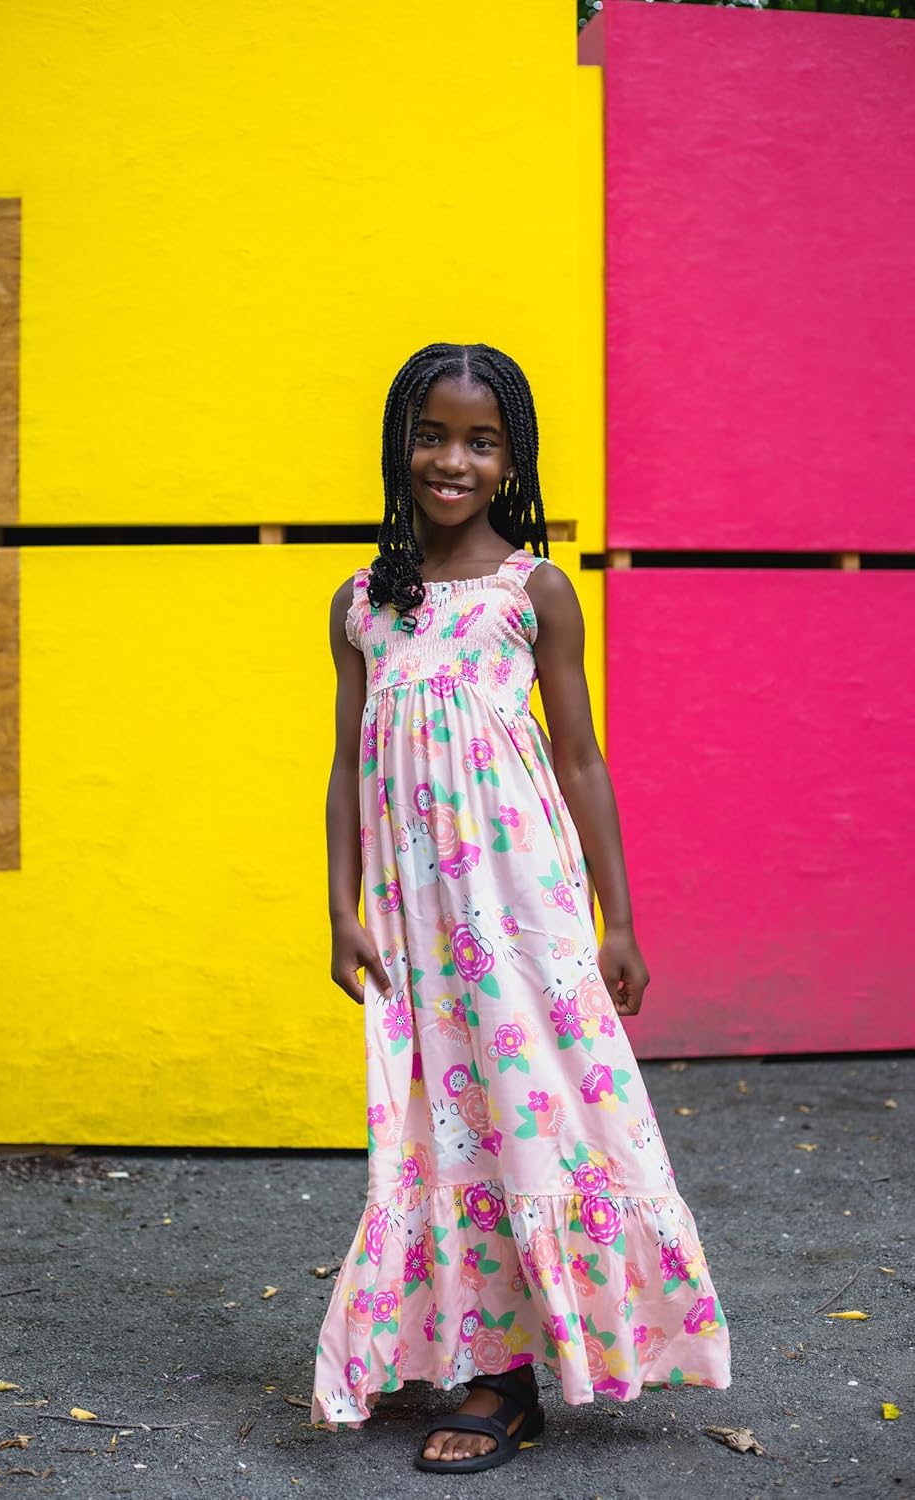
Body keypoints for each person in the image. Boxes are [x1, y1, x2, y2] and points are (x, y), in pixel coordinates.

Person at [310, 343, 731, 1472]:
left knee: (538, 1106)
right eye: (434, 435)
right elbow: (348, 763)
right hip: (413, 916)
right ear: (400, 444)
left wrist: (620, 919)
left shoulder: (531, 591)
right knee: (437, 1126)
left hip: (521, 907)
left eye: (480, 440)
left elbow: (581, 761)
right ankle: (480, 1361)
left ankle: (527, 1372)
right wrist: (339, 903)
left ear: (512, 459)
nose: (453, 460)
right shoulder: (359, 605)